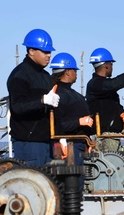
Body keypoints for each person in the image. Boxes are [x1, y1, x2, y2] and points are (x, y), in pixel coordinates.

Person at [6, 28, 57, 167]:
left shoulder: (46, 77)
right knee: (31, 179)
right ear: (31, 51)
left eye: (49, 52)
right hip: (28, 143)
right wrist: (42, 101)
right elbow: (17, 106)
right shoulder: (19, 75)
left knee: (48, 180)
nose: (49, 55)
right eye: (45, 51)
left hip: (47, 141)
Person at [85, 47, 124, 153]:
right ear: (106, 65)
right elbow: (115, 83)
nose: (112, 67)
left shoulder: (106, 87)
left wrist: (121, 112)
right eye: (111, 64)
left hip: (113, 136)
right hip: (102, 138)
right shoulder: (95, 84)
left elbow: (113, 103)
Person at [48, 52, 93, 167]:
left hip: (80, 143)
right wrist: (79, 122)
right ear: (67, 71)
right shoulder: (58, 94)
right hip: (69, 146)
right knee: (72, 176)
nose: (76, 73)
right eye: (75, 70)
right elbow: (57, 123)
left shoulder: (74, 95)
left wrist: (88, 141)